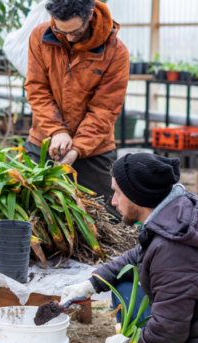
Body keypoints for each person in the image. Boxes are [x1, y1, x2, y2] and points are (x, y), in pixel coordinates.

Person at [61, 153, 198, 343]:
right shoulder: (172, 215)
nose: (113, 201)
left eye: (118, 193)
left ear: (137, 196)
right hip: (196, 342)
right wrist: (93, 283)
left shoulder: (175, 251)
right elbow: (137, 256)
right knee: (127, 286)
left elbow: (169, 332)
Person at [23, 0, 129, 218]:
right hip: (44, 141)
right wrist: (57, 131)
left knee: (108, 216)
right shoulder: (40, 36)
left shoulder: (116, 52)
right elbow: (37, 89)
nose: (68, 37)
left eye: (75, 31)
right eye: (61, 30)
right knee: (28, 212)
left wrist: (76, 149)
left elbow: (104, 110)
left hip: (94, 147)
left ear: (89, 14)